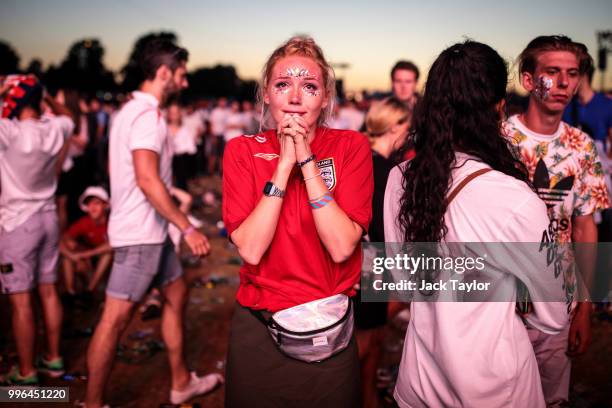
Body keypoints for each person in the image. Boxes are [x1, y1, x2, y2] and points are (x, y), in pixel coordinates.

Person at [384, 41, 567, 407]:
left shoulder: (399, 178)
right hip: (497, 391)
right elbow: (554, 316)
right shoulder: (514, 199)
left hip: (420, 385)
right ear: (499, 108)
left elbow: (404, 284)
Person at [222, 36, 373, 407]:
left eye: (309, 86)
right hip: (260, 323)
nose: (294, 97)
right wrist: (283, 164)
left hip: (327, 327)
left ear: (324, 99)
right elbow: (252, 248)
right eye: (282, 85)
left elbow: (341, 246)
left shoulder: (350, 146)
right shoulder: (242, 151)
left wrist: (306, 160)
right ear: (267, 96)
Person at [85, 39, 221, 408]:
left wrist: (170, 196)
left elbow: (142, 175)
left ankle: (180, 383)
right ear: (164, 73)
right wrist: (188, 227)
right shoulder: (146, 116)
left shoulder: (132, 110)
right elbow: (146, 180)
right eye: (181, 74)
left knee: (177, 294)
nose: (185, 83)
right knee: (114, 320)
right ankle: (93, 404)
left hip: (154, 233)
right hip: (141, 235)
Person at [505, 35, 611, 407]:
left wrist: (586, 305)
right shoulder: (498, 139)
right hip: (501, 305)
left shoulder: (583, 147)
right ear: (529, 79)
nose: (565, 83)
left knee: (553, 400)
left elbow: (586, 227)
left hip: (559, 302)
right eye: (552, 72)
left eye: (573, 73)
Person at [0, 75, 75, 384]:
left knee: (21, 302)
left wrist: (4, 89)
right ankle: (54, 359)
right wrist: (46, 97)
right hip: (47, 217)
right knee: (48, 291)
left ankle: (27, 373)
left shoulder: (9, 131)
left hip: (17, 223)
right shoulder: (54, 128)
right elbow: (69, 116)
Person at [356, 96, 409, 407]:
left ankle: (368, 398)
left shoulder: (361, 158)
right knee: (363, 342)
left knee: (373, 339)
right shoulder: (386, 170)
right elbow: (381, 228)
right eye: (407, 127)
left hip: (367, 263)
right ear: (395, 127)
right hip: (372, 265)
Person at [59, 186, 112, 300]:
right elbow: (63, 239)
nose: (92, 207)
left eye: (96, 203)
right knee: (68, 253)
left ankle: (90, 291)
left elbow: (112, 244)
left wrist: (84, 255)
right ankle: (70, 294)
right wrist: (75, 254)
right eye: (89, 204)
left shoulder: (113, 221)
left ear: (105, 205)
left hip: (110, 264)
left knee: (108, 254)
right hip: (90, 260)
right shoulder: (85, 222)